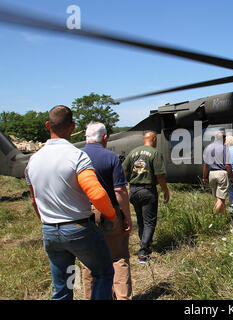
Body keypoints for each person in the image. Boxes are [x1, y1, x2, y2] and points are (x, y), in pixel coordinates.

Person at [25, 105, 115, 300]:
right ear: (73, 127)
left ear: (48, 125)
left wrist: (47, 220)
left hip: (50, 233)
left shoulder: (33, 160)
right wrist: (111, 215)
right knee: (103, 273)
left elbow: (34, 201)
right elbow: (97, 194)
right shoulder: (77, 156)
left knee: (64, 285)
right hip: (79, 231)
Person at [81, 122, 133, 300]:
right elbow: (120, 190)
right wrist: (126, 215)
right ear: (104, 138)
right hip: (109, 211)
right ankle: (123, 297)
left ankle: (91, 296)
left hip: (84, 214)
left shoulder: (77, 156)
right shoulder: (111, 157)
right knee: (118, 258)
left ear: (86, 137)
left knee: (88, 262)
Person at [122, 130, 170, 264]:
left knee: (140, 219)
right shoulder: (155, 153)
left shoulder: (133, 152)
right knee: (149, 221)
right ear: (154, 139)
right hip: (147, 190)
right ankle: (144, 251)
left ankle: (144, 241)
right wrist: (165, 190)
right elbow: (160, 175)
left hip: (133, 190)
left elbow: (124, 170)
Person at [202, 129, 233, 214]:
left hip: (211, 174)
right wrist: (232, 178)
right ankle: (214, 217)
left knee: (218, 198)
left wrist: (204, 177)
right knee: (221, 200)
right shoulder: (225, 148)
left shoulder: (208, 148)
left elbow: (206, 165)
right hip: (222, 174)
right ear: (224, 139)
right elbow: (228, 165)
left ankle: (221, 217)